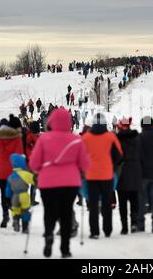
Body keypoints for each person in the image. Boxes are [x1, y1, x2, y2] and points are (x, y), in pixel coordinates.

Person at [30, 108, 90, 258]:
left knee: (49, 212)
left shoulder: (43, 139)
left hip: (47, 182)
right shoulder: (76, 139)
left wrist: (39, 171)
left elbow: (34, 163)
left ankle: (49, 234)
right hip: (70, 183)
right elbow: (85, 164)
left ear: (51, 121)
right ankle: (65, 248)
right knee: (66, 213)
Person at [82, 113, 123, 239]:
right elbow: (119, 155)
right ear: (105, 123)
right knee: (106, 202)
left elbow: (81, 156)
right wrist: (112, 166)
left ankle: (94, 232)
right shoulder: (111, 137)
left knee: (93, 204)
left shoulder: (86, 137)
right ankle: (107, 229)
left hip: (91, 175)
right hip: (107, 175)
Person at [0, 115, 24, 228]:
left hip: (1, 170)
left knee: (4, 195)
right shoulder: (16, 138)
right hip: (14, 170)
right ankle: (15, 216)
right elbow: (20, 154)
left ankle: (5, 215)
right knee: (15, 194)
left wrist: (0, 162)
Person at [116, 117, 142, 234]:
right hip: (136, 172)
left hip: (122, 173)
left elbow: (115, 157)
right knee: (134, 200)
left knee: (122, 203)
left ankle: (124, 226)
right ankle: (134, 223)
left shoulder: (117, 140)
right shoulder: (137, 138)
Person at [6, 154, 35, 234]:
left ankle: (16, 221)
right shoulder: (25, 174)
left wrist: (8, 198)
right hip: (24, 195)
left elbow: (8, 190)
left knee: (16, 210)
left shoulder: (11, 176)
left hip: (14, 196)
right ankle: (25, 227)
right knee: (25, 210)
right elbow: (34, 180)